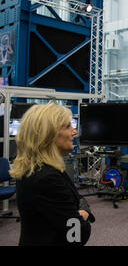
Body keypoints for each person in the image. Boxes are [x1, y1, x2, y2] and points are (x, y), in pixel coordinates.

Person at [9, 103, 95, 246]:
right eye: (68, 127)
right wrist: (84, 212)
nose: (74, 132)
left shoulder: (33, 168)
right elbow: (76, 235)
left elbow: (74, 198)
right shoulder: (47, 178)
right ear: (49, 134)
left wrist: (80, 209)